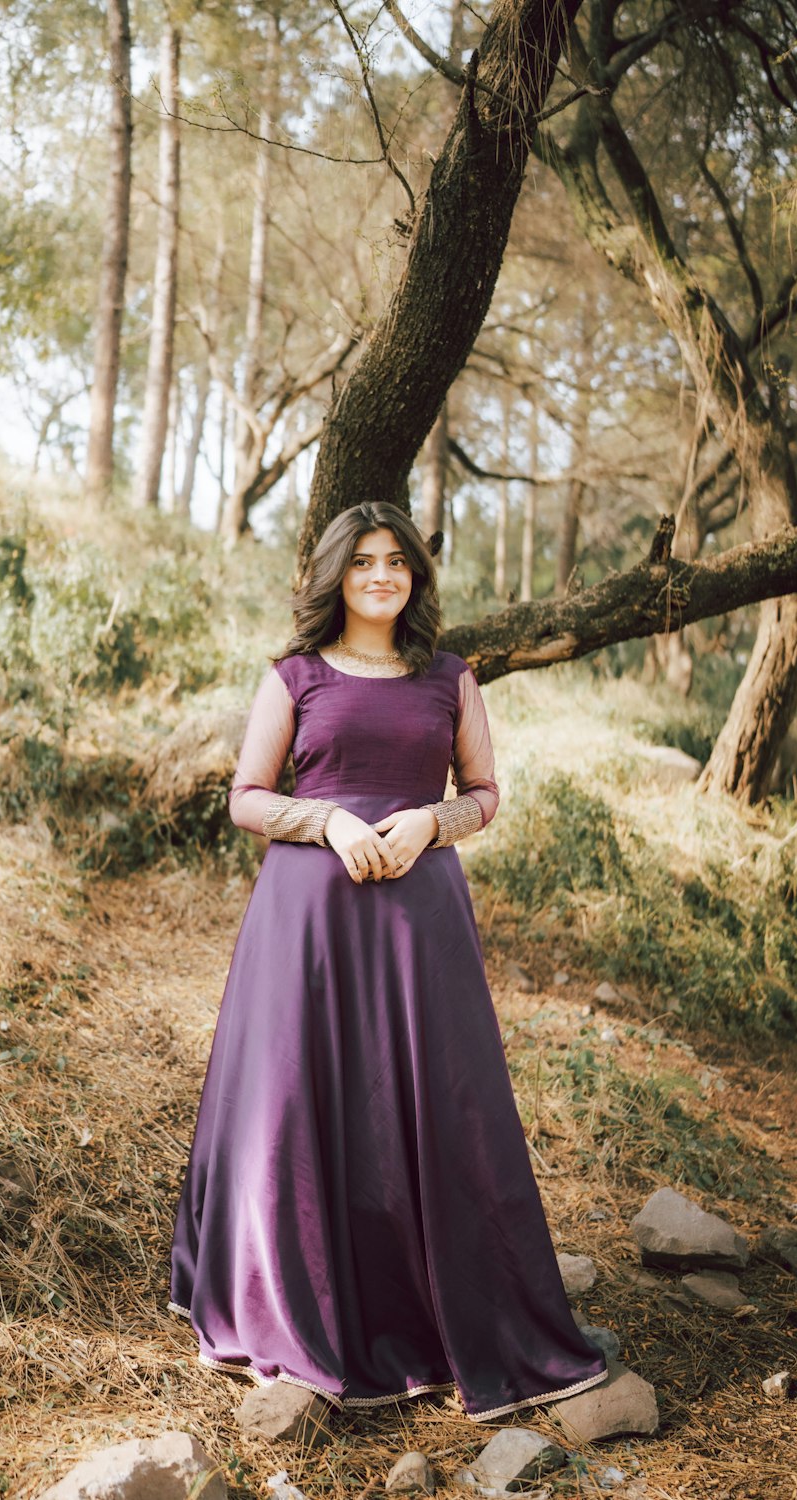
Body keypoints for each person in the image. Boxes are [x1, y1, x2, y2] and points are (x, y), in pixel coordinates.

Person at [169, 501, 607, 1421]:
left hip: (420, 923)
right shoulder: (293, 677)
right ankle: (299, 1307)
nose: (380, 575)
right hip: (306, 928)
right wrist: (323, 817)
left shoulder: (451, 679)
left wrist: (428, 821)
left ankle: (438, 1312)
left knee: (436, 1109)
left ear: (415, 576)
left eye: (396, 562)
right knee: (300, 1105)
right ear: (337, 575)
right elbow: (247, 797)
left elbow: (486, 793)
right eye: (363, 561)